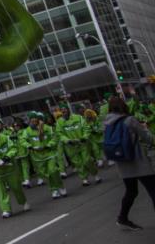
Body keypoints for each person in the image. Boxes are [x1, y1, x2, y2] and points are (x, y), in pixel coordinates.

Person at [104, 96, 155, 231]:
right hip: (139, 161)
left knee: (131, 191)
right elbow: (149, 139)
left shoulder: (107, 123)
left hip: (122, 163)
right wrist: (145, 127)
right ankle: (122, 218)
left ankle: (122, 218)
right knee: (153, 190)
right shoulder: (130, 120)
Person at [21, 111, 65, 198]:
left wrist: (48, 145)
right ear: (29, 121)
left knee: (53, 171)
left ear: (38, 119)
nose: (33, 121)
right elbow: (23, 141)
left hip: (49, 153)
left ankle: (60, 186)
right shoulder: (27, 131)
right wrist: (30, 146)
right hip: (38, 157)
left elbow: (55, 137)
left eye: (35, 119)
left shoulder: (47, 128)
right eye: (31, 120)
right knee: (47, 175)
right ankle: (54, 190)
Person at [56, 104, 100, 186]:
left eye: (65, 109)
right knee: (78, 163)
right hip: (71, 147)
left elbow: (86, 127)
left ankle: (95, 174)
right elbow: (59, 134)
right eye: (62, 110)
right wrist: (67, 140)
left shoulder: (78, 118)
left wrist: (84, 137)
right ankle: (84, 179)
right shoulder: (59, 122)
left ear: (68, 110)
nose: (63, 111)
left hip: (82, 144)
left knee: (87, 160)